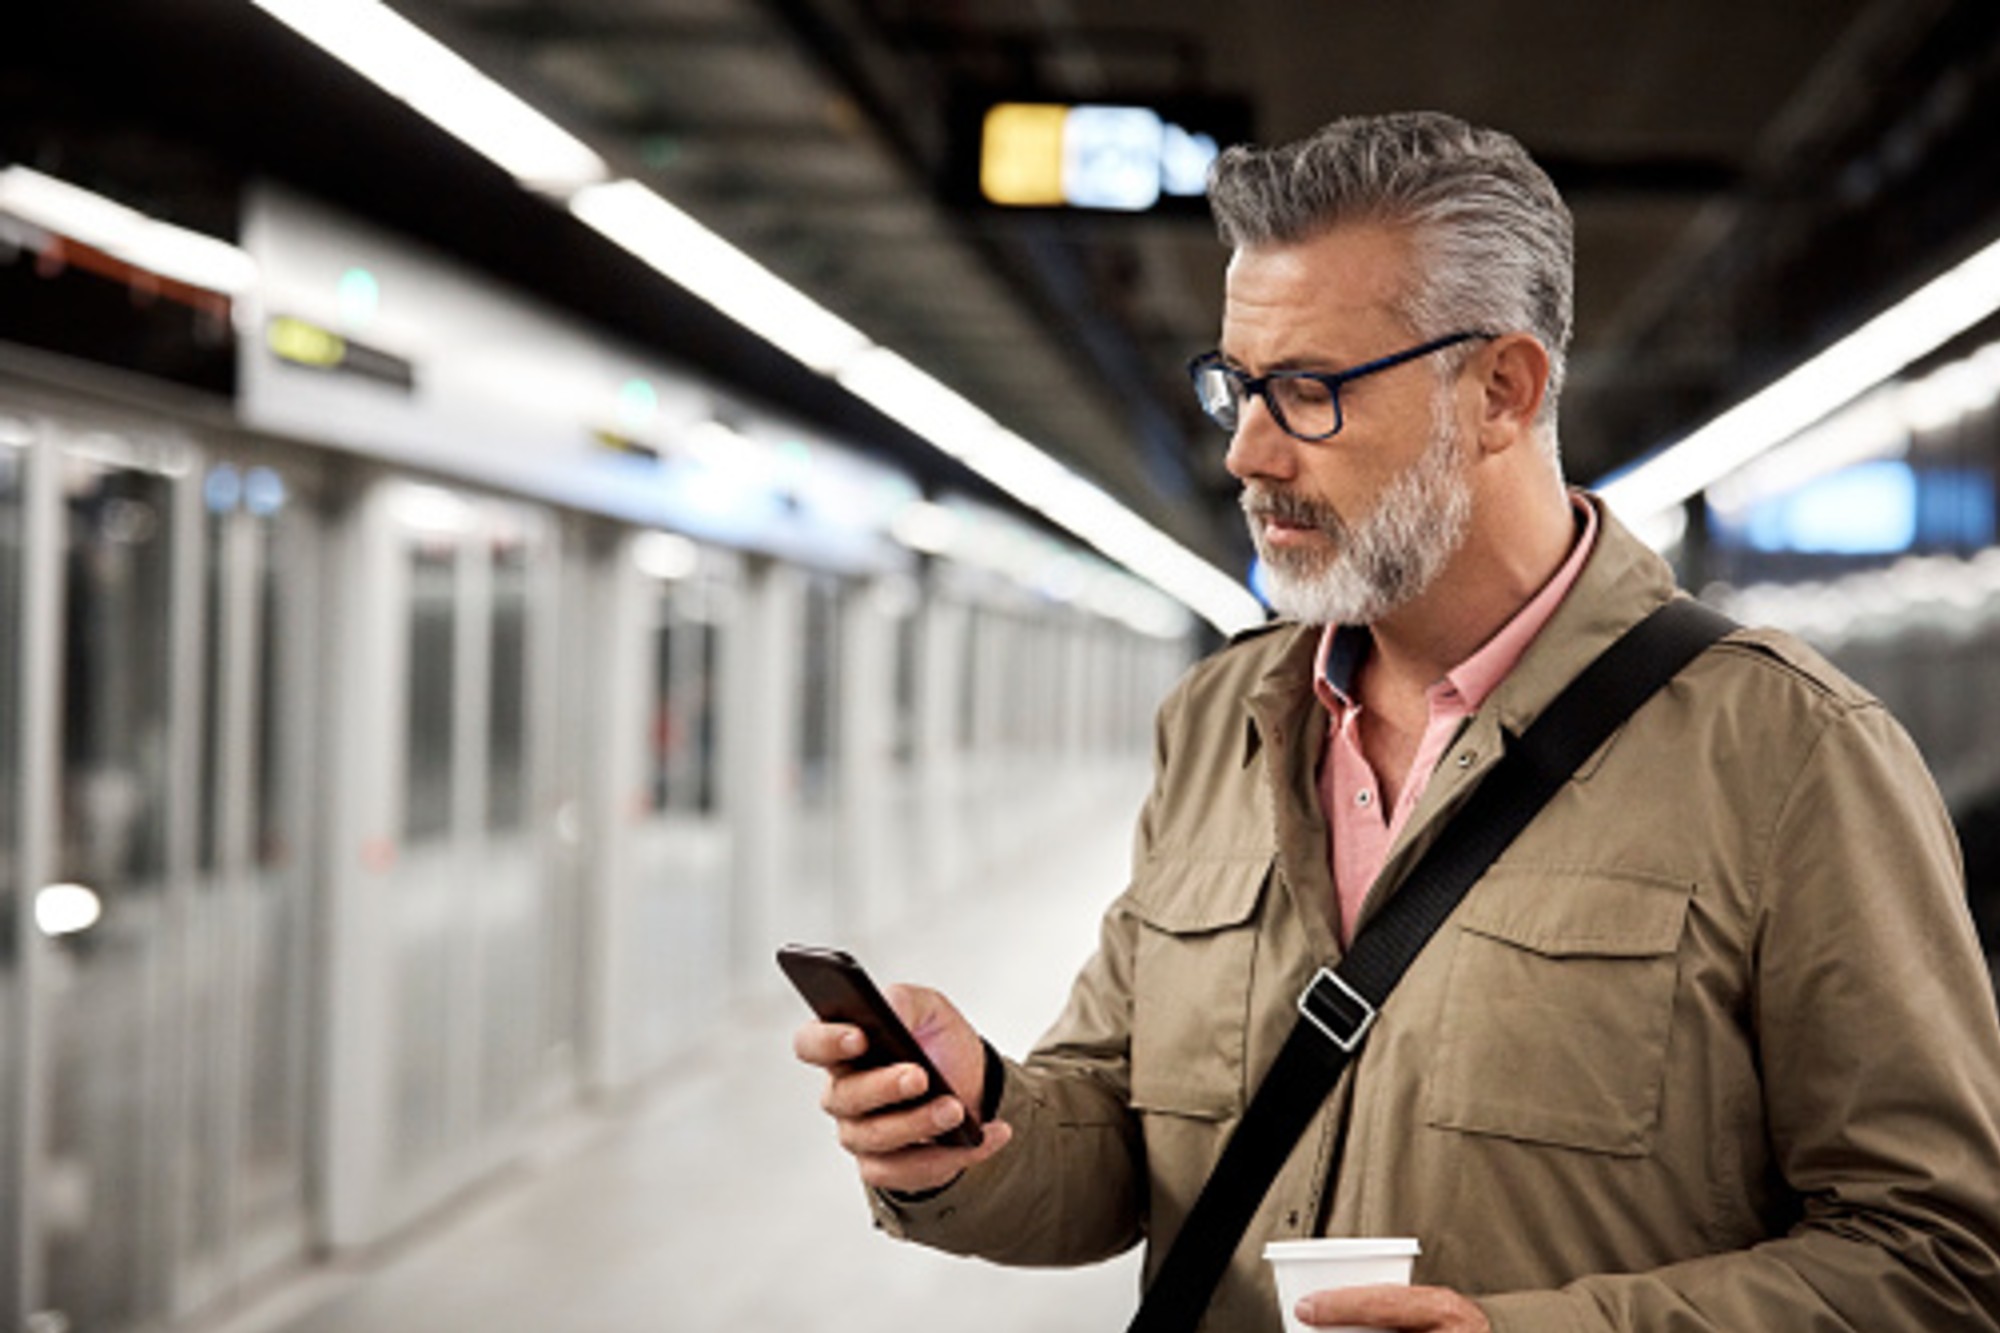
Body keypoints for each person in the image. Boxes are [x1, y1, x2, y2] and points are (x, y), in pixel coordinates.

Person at [793, 111, 2000, 1331]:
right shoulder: (1223, 718)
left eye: (1307, 392)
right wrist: (968, 1131)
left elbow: (1938, 1256)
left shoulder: (1788, 754)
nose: (1247, 454)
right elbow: (1115, 1137)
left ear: (1499, 390)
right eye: (1236, 389)